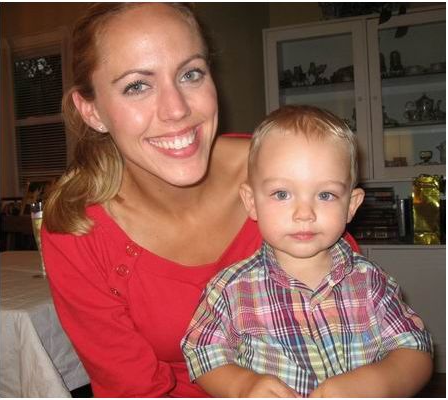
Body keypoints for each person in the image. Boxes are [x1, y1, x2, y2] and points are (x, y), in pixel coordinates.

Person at [41, 4, 358, 398]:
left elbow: (359, 329)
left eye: (190, 74)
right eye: (137, 86)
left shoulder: (287, 173)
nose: (177, 110)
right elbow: (135, 390)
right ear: (92, 111)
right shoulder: (76, 230)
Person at [181, 105, 433, 398]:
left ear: (351, 206)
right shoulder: (229, 289)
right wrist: (242, 385)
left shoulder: (372, 283)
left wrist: (377, 383)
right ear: (251, 202)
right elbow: (202, 352)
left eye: (325, 195)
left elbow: (415, 348)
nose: (304, 213)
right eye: (282, 194)